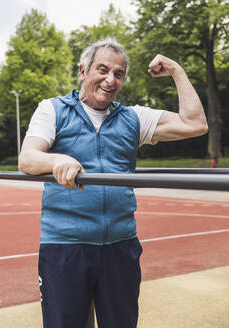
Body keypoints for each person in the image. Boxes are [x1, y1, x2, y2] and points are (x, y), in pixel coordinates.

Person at [18, 38, 208, 328]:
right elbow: (28, 158)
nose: (110, 80)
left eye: (118, 74)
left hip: (120, 246)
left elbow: (195, 124)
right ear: (83, 71)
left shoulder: (132, 117)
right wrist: (57, 161)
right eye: (103, 69)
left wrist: (176, 71)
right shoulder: (53, 110)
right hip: (66, 247)